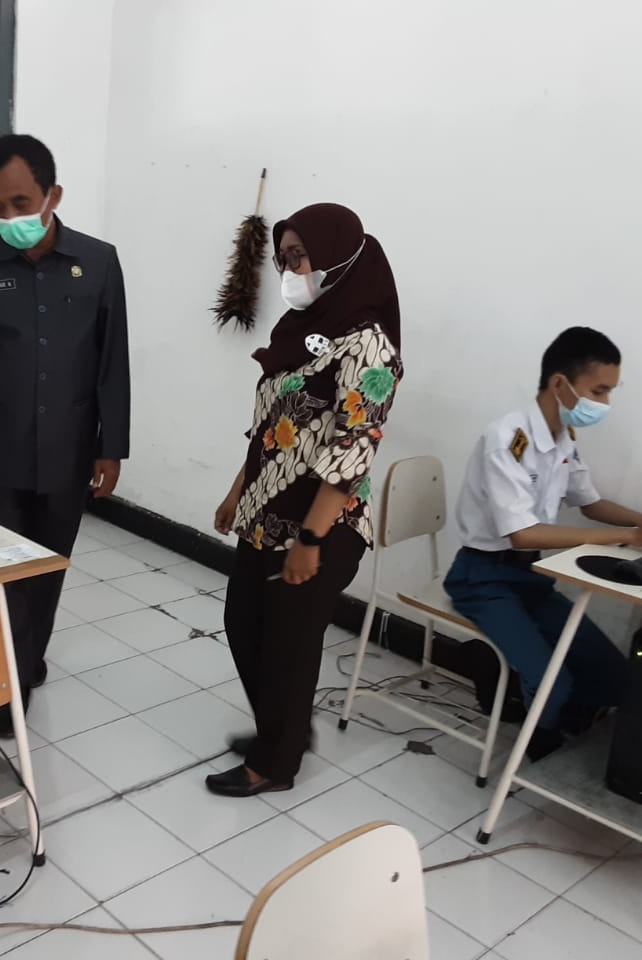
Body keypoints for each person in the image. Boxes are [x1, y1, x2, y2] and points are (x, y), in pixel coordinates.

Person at [0, 134, 131, 737]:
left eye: (20, 203)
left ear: (52, 195)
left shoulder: (98, 262)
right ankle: (7, 679)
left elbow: (112, 363)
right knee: (0, 568)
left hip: (70, 451)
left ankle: (26, 659)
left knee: (48, 566)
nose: (8, 216)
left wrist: (112, 446)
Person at [444, 326, 642, 760]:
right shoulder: (507, 440)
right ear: (559, 384)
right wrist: (631, 537)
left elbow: (590, 503)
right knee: (553, 682)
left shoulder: (564, 438)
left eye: (610, 392)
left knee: (612, 675)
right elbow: (522, 534)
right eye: (599, 391)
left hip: (530, 578)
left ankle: (546, 706)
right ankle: (536, 739)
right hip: (483, 578)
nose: (605, 403)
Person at [210, 203, 403, 798]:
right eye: (284, 260)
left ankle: (275, 762)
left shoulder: (368, 345)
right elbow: (272, 426)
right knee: (244, 623)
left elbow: (355, 446)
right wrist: (238, 491)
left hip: (322, 523)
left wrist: (312, 539)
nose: (290, 271)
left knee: (288, 644)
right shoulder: (300, 332)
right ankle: (284, 728)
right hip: (266, 511)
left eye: (299, 257)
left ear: (339, 256)